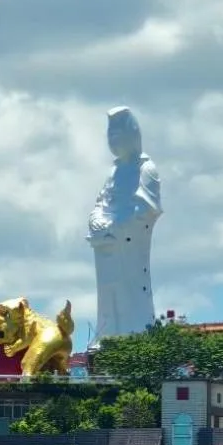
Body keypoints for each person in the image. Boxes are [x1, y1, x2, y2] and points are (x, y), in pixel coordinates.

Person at [88, 106, 162, 339]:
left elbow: (146, 209)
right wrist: (96, 221)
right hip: (105, 245)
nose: (113, 141)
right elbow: (101, 202)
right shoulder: (114, 172)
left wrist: (114, 226)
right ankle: (107, 336)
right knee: (108, 294)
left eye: (118, 134)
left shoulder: (145, 168)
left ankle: (134, 337)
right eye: (110, 135)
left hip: (129, 244)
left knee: (130, 295)